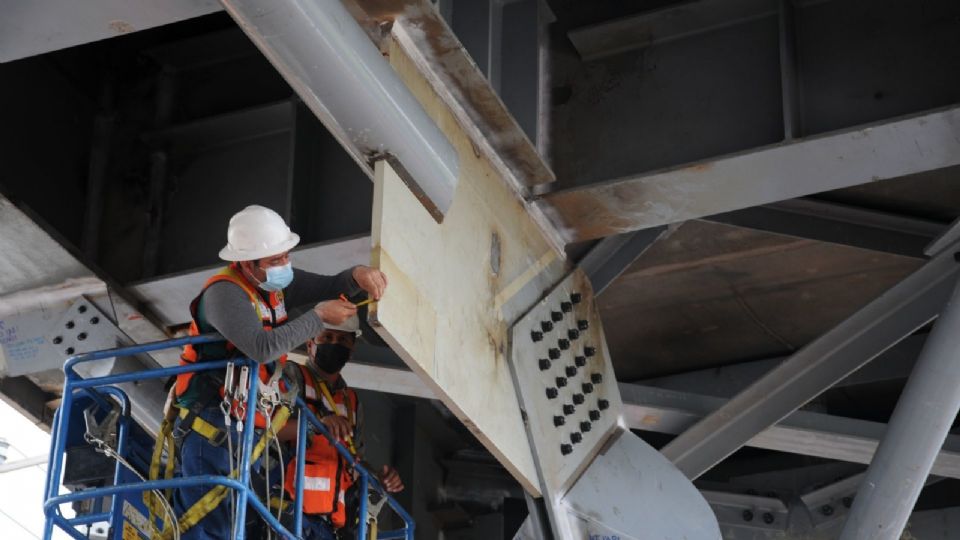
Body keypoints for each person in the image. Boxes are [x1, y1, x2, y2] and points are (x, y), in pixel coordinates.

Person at [171, 205, 388, 540]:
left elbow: (331, 285)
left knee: (242, 529)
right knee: (214, 531)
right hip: (211, 431)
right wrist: (318, 318)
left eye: (285, 255)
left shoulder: (272, 287)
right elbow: (261, 347)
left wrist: (356, 275)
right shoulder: (224, 293)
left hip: (248, 437)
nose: (284, 265)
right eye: (274, 260)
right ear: (247, 263)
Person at [276, 316, 403, 540]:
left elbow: (353, 462)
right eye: (327, 337)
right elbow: (268, 429)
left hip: (329, 523)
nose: (334, 343)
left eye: (343, 340)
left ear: (352, 350)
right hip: (286, 510)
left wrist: (378, 480)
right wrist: (316, 426)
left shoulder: (352, 401)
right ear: (310, 344)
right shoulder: (292, 375)